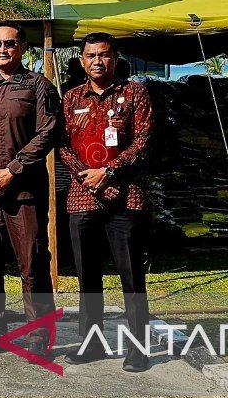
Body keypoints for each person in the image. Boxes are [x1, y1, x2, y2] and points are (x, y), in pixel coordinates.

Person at [0, 23, 59, 358]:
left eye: (10, 43)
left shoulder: (38, 86)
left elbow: (48, 133)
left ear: (23, 47)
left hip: (23, 193)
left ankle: (39, 338)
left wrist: (11, 171)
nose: (2, 49)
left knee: (32, 265)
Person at [59, 32, 152, 372]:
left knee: (131, 276)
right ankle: (92, 343)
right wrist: (90, 177)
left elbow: (143, 141)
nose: (97, 61)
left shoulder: (135, 93)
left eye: (104, 54)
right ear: (82, 60)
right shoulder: (71, 98)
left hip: (125, 195)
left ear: (115, 57)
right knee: (87, 277)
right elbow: (62, 144)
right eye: (91, 55)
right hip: (82, 195)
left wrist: (109, 172)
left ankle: (138, 348)